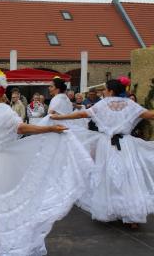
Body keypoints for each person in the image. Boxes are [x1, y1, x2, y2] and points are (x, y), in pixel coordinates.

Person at [0, 69, 93, 256]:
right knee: (6, 199)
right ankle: (6, 241)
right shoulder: (3, 110)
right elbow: (21, 127)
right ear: (0, 90)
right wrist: (50, 129)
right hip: (2, 161)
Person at [51, 78, 154, 229]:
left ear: (111, 91)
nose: (103, 92)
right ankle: (133, 216)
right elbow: (149, 115)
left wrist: (60, 117)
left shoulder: (103, 104)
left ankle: (112, 211)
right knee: (128, 176)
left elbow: (82, 115)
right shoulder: (130, 104)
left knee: (109, 176)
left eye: (105, 89)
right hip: (126, 145)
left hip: (108, 145)